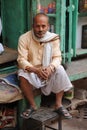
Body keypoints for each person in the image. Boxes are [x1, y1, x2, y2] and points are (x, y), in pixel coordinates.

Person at [17, 13, 72, 119]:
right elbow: (21, 60)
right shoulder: (24, 38)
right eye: (37, 26)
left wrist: (50, 68)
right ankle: (33, 105)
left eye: (43, 26)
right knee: (22, 74)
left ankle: (58, 104)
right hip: (32, 70)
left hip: (47, 70)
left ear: (48, 26)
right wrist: (36, 70)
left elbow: (57, 57)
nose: (40, 29)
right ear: (33, 26)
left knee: (59, 68)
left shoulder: (53, 38)